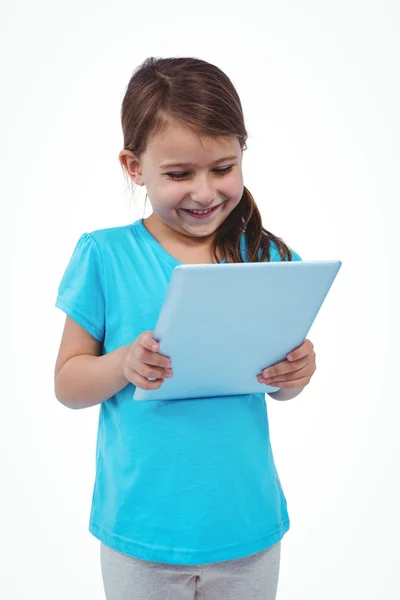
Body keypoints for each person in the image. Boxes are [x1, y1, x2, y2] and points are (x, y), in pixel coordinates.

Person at [54, 56, 317, 600]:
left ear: (243, 152)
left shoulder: (268, 257)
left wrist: (296, 372)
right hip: (142, 532)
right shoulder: (105, 255)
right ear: (134, 166)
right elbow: (68, 384)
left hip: (246, 525)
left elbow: (281, 387)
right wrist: (122, 363)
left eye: (223, 168)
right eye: (179, 175)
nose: (204, 193)